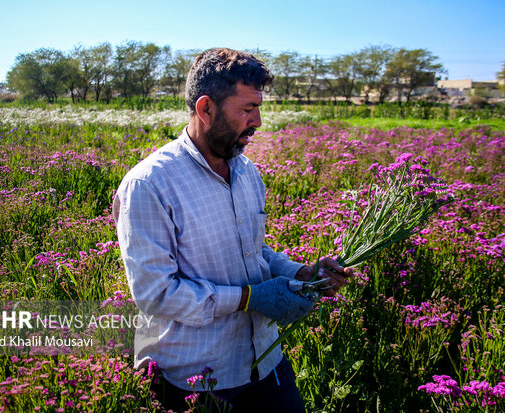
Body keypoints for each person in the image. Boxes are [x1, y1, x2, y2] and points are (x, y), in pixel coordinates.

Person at [113, 47, 352, 412]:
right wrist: (249, 298)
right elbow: (156, 295)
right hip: (196, 377)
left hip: (264, 359)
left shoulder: (246, 172)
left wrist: (301, 273)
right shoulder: (150, 185)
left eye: (258, 107)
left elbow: (254, 252)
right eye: (246, 109)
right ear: (206, 109)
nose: (257, 122)